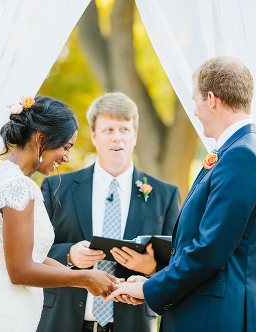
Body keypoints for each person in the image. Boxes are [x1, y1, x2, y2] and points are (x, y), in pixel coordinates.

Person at [106, 56, 256, 332]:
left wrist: (150, 289)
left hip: (212, 319)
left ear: (211, 100)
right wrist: (151, 281)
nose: (194, 111)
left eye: (195, 100)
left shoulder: (241, 156)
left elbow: (210, 250)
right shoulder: (238, 151)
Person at [0, 96, 118, 332]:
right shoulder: (18, 186)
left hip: (9, 313)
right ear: (41, 138)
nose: (66, 156)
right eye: (65, 147)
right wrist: (84, 279)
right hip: (5, 319)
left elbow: (32, 256)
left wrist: (88, 278)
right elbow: (20, 270)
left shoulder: (5, 176)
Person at [36, 93, 180, 332]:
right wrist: (69, 255)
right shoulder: (56, 187)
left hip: (133, 324)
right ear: (94, 136)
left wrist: (151, 269)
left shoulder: (165, 194)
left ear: (134, 135)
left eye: (124, 129)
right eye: (108, 130)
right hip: (62, 321)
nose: (117, 138)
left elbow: (179, 263)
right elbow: (31, 251)